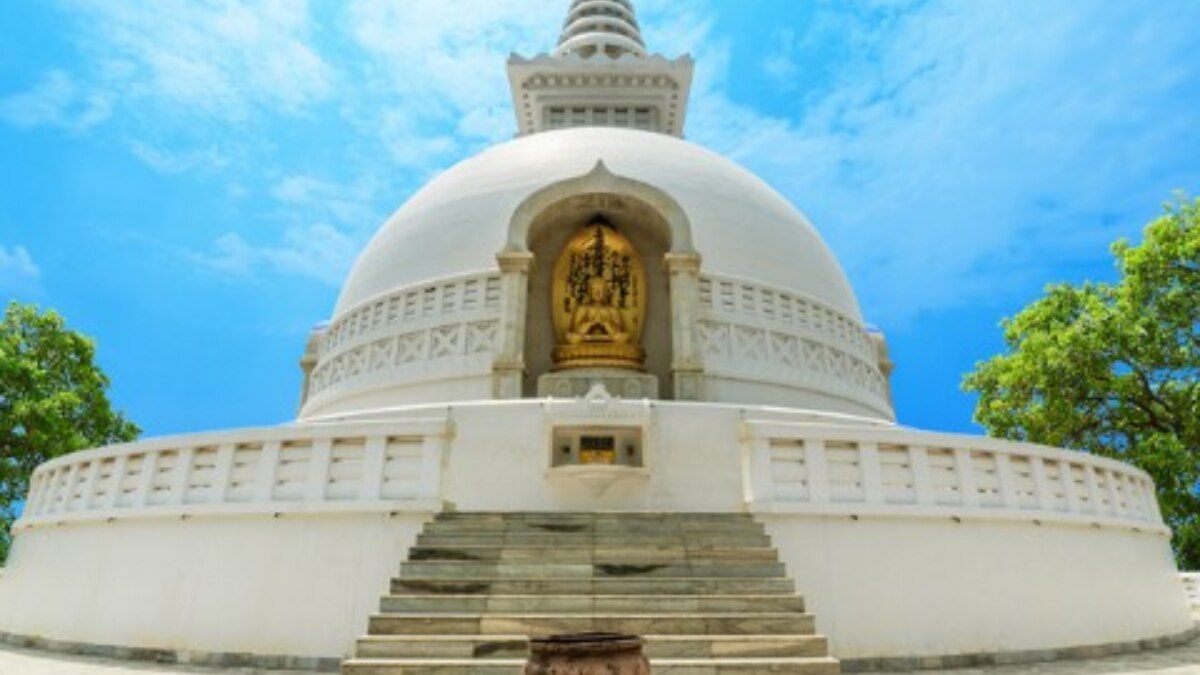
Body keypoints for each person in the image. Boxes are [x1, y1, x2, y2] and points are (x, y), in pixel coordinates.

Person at [566, 276, 630, 344]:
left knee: (623, 336)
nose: (597, 293)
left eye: (601, 290)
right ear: (589, 291)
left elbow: (619, 331)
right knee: (571, 337)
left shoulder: (612, 310)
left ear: (605, 292)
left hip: (609, 340)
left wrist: (605, 324)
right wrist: (591, 323)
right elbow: (575, 330)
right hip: (585, 340)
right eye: (594, 289)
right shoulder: (582, 309)